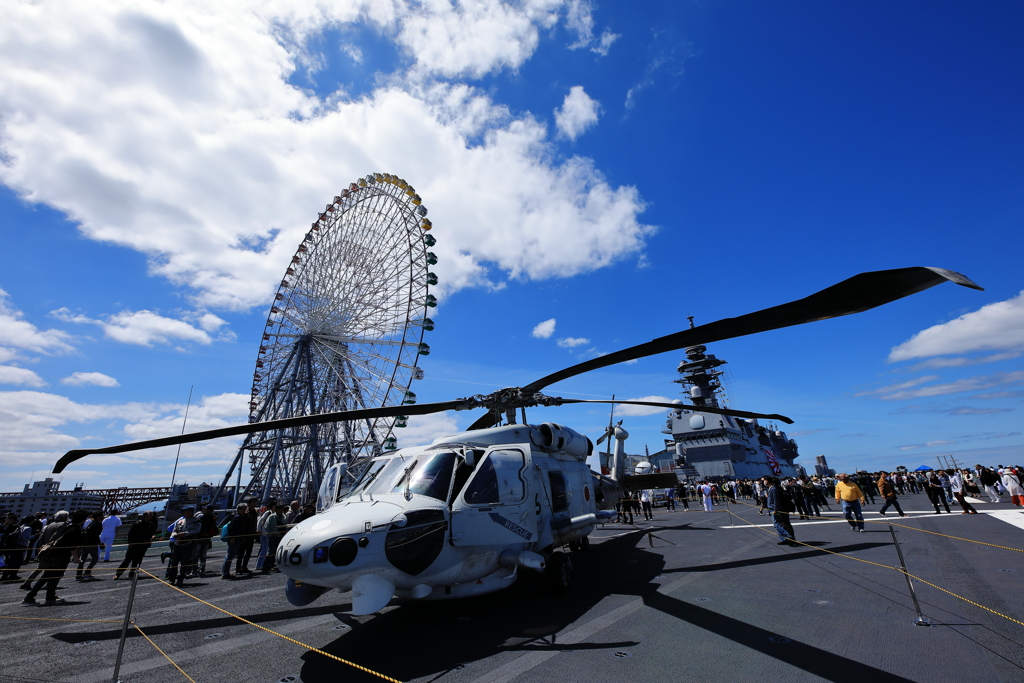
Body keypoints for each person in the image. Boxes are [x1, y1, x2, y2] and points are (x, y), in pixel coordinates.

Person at [22, 509, 85, 606]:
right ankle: (32, 597)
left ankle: (47, 596)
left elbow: (44, 538)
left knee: (48, 575)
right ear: (83, 520)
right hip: (61, 556)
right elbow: (72, 545)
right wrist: (76, 557)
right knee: (51, 576)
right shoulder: (74, 529)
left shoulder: (61, 526)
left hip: (50, 553)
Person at [166, 506, 202, 587]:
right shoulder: (181, 521)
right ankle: (172, 579)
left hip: (188, 544)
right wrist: (175, 535)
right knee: (174, 562)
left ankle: (180, 579)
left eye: (185, 511)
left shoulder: (196, 521)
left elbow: (196, 531)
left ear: (190, 512)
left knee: (184, 563)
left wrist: (185, 534)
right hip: (177, 543)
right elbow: (174, 530)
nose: (183, 513)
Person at [116, 511, 157, 579]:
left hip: (143, 545)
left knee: (138, 561)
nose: (152, 516)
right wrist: (130, 543)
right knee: (127, 560)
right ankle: (118, 574)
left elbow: (151, 533)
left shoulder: (150, 524)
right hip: (134, 545)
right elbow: (130, 534)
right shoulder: (137, 524)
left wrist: (152, 536)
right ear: (146, 516)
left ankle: (132, 574)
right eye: (150, 515)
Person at [763, 476, 796, 546]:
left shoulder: (774, 489)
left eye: (765, 480)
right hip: (777, 508)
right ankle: (783, 539)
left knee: (778, 523)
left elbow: (776, 500)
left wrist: (776, 510)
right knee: (782, 523)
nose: (764, 482)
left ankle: (788, 537)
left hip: (776, 509)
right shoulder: (773, 488)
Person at [220, 503, 249, 580]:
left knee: (231, 555)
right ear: (239, 510)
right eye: (244, 509)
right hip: (235, 539)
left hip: (237, 538)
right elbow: (232, 528)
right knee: (230, 555)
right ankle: (225, 573)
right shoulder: (237, 518)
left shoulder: (238, 517)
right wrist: (232, 537)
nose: (245, 511)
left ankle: (226, 572)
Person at [76, 511, 103, 581]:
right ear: (98, 517)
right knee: (95, 558)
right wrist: (100, 543)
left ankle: (78, 574)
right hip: (92, 544)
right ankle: (87, 572)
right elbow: (96, 535)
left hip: (85, 543)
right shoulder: (98, 524)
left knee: (82, 559)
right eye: (101, 516)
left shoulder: (91, 523)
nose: (103, 517)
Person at [261, 503, 288, 573]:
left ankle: (273, 566)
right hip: (273, 536)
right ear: (277, 510)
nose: (282, 510)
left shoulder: (284, 516)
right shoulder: (271, 517)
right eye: (281, 509)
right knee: (271, 552)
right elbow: (267, 526)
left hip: (280, 536)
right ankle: (265, 566)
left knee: (278, 552)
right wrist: (270, 535)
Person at [193, 505, 218, 577]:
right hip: (208, 538)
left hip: (200, 537)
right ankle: (202, 569)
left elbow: (198, 527)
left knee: (195, 554)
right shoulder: (213, 518)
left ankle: (194, 570)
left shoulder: (202, 517)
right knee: (203, 554)